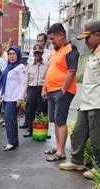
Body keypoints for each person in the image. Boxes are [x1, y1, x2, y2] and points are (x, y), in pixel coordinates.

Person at [59, 20, 100, 179]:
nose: (85, 42)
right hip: (86, 103)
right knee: (79, 133)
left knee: (97, 138)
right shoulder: (95, 53)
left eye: (87, 38)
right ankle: (77, 161)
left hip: (99, 104)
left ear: (98, 35)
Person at [42, 23, 79, 162]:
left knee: (60, 120)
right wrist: (44, 88)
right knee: (55, 120)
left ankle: (61, 152)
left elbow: (71, 71)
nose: (51, 42)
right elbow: (49, 71)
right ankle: (57, 147)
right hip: (51, 91)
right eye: (50, 40)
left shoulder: (70, 49)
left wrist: (63, 89)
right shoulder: (54, 52)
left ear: (61, 35)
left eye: (53, 39)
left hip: (62, 91)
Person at [0, 47, 27, 151]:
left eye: (14, 54)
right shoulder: (8, 67)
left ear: (18, 55)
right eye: (10, 54)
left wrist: (20, 98)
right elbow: (3, 83)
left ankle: (11, 142)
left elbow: (24, 83)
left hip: (14, 98)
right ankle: (14, 141)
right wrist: (0, 95)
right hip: (6, 98)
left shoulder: (20, 67)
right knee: (10, 120)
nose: (11, 56)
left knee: (9, 120)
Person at [22, 44, 49, 138]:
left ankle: (44, 130)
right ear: (33, 53)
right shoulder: (29, 65)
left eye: (39, 53)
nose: (38, 54)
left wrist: (45, 89)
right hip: (32, 89)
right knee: (30, 110)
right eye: (36, 52)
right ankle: (30, 129)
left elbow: (48, 78)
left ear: (42, 53)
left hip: (42, 89)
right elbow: (26, 80)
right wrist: (25, 92)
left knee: (43, 111)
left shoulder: (47, 64)